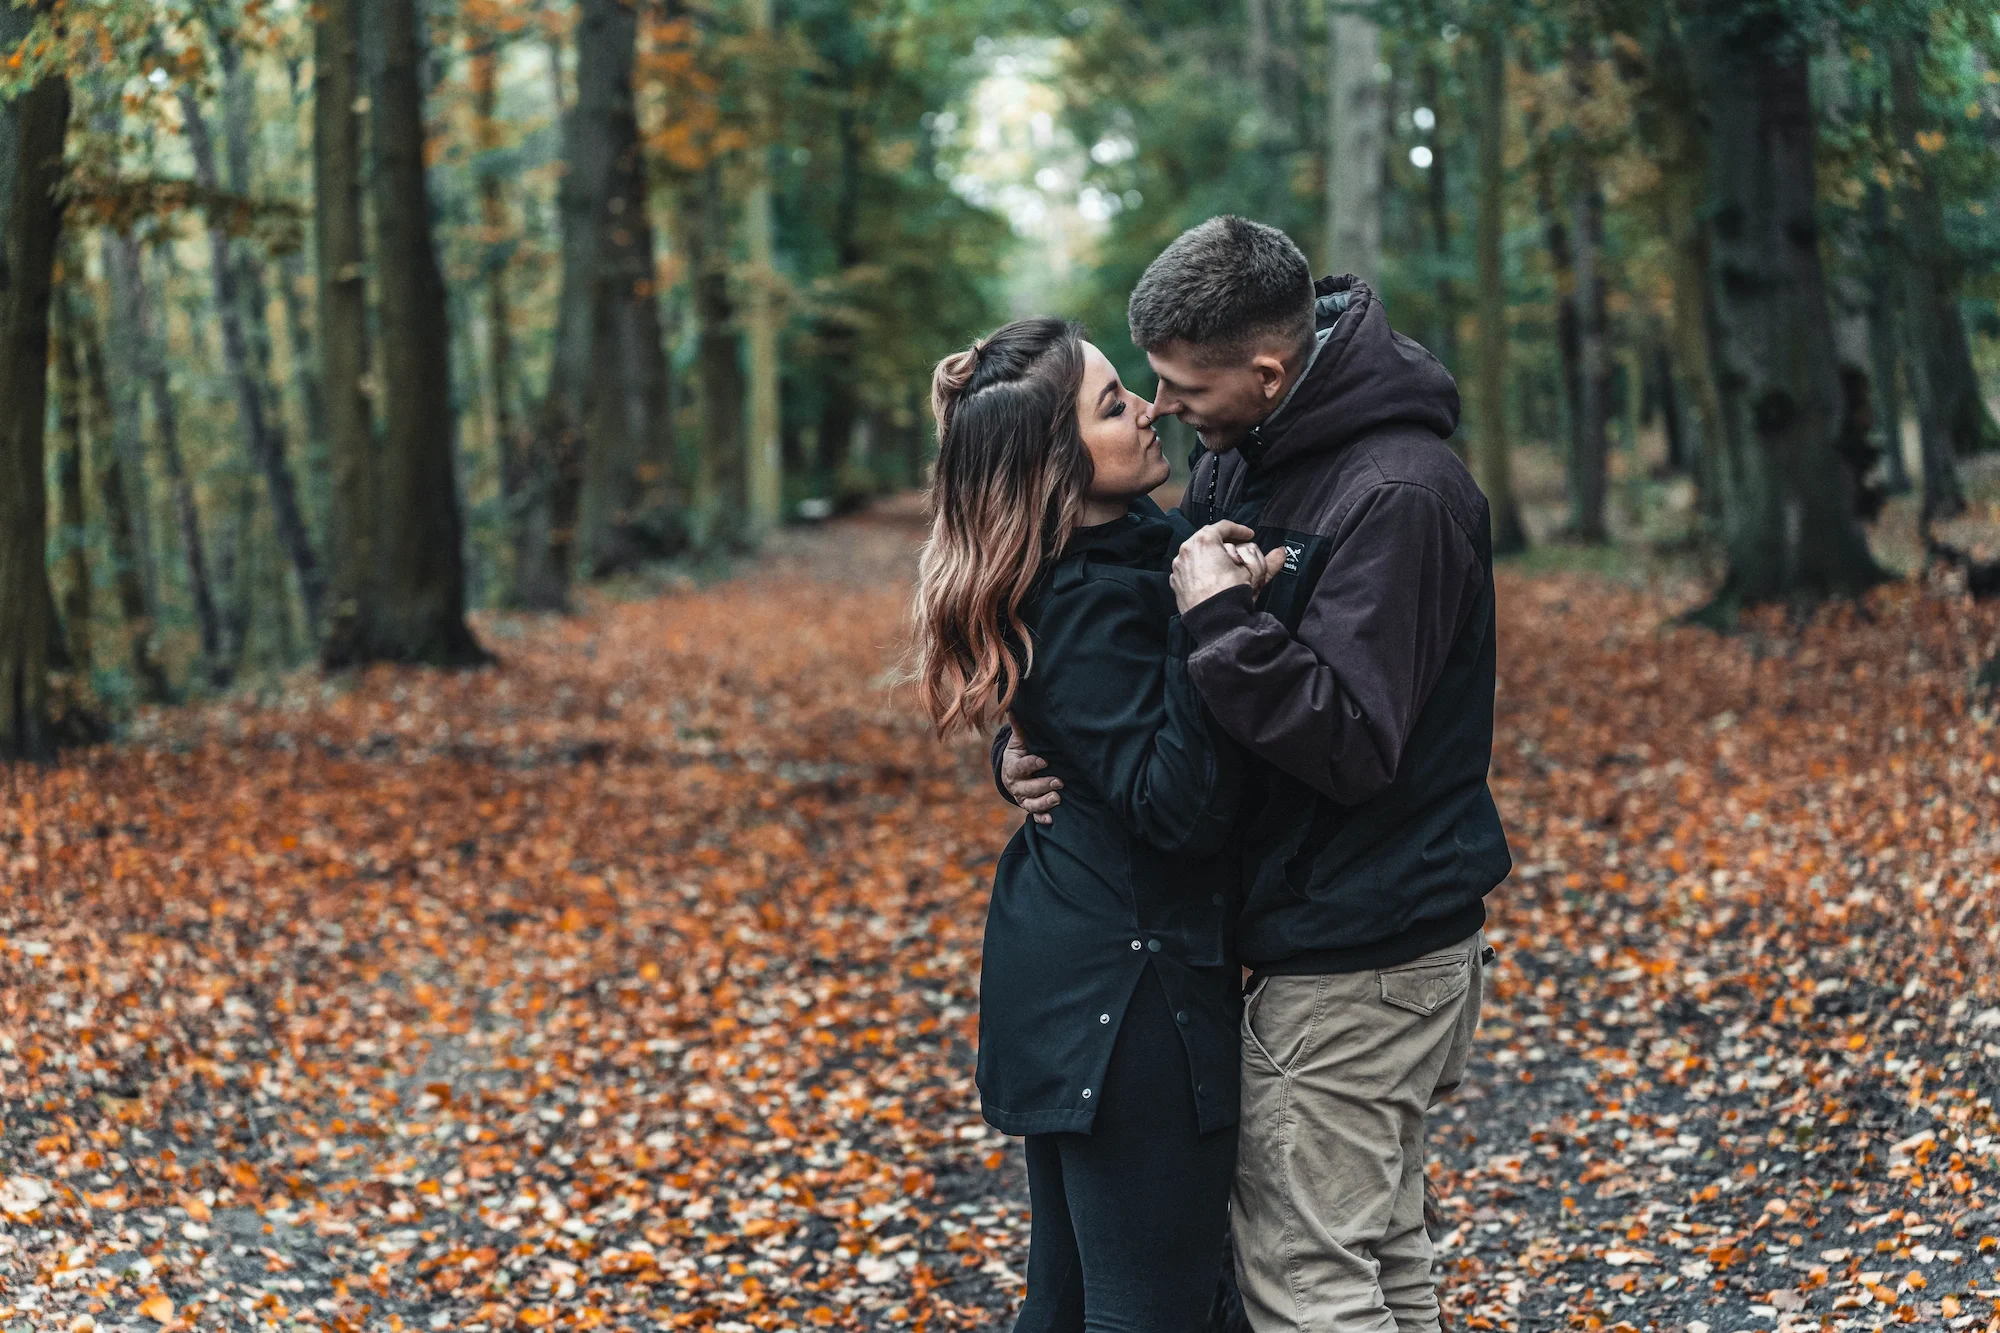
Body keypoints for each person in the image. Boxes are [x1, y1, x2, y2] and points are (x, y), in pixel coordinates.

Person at [998, 217, 1511, 1333]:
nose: (1162, 408)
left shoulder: (1400, 495)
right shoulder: (1250, 449)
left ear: (1266, 369)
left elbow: (1350, 739)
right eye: (1140, 388)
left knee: (1308, 1279)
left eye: (1180, 386)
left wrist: (1221, 614)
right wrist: (1041, 736)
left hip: (1364, 939)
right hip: (1315, 926)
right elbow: (1132, 644)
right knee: (1376, 1253)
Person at [912, 316, 1277, 1333]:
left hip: (1081, 969)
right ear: (1053, 465)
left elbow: (1091, 734)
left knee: (1072, 1302)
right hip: (1127, 997)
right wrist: (1207, 625)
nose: (1149, 407)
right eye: (1112, 406)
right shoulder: (1078, 599)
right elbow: (1174, 807)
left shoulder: (1124, 542)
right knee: (1142, 1312)